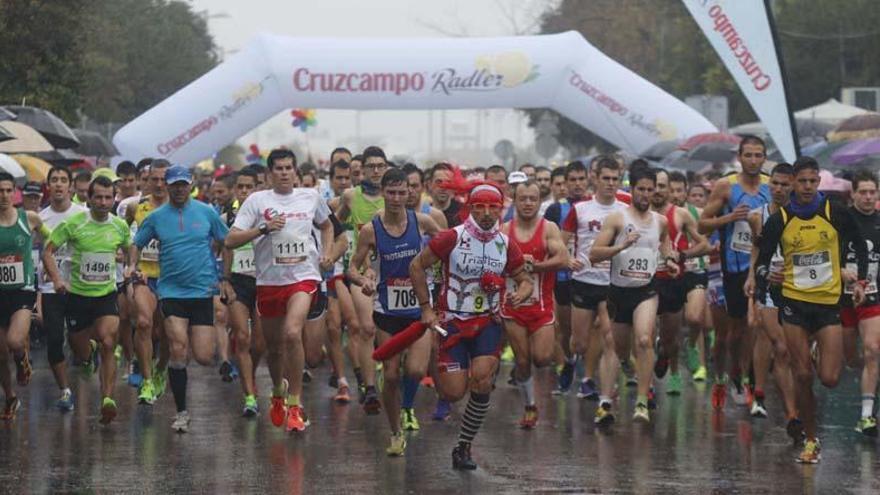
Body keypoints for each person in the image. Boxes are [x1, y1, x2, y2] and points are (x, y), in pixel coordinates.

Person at [410, 181, 532, 470]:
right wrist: (427, 309)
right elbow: (417, 266)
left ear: (501, 209)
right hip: (451, 323)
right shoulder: (452, 237)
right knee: (453, 393)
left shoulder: (505, 244)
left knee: (481, 382)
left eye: (493, 207)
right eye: (481, 207)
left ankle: (464, 447)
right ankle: (434, 357)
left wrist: (517, 294)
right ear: (471, 208)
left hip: (486, 324)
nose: (487, 213)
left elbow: (524, 279)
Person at [754, 156, 867, 463]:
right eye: (800, 182)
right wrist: (768, 276)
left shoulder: (835, 212)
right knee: (802, 374)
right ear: (792, 184)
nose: (805, 187)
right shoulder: (780, 220)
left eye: (810, 181)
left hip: (828, 303)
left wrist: (860, 280)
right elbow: (762, 261)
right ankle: (812, 440)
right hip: (794, 303)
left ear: (818, 182)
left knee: (829, 378)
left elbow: (859, 241)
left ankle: (818, 351)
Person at [226, 149, 334, 433]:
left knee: (291, 333)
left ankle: (296, 404)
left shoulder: (310, 197)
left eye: (289, 168)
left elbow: (327, 225)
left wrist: (326, 253)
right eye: (279, 168)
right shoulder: (257, 201)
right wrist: (262, 229)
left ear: (295, 172)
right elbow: (230, 240)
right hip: (269, 283)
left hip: (304, 278)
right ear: (269, 173)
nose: (285, 173)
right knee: (274, 349)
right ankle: (277, 391)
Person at [348, 168, 441, 455]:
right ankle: (396, 432)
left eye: (403, 192)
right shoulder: (370, 230)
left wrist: (441, 274)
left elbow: (449, 246)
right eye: (392, 192)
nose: (398, 198)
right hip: (387, 312)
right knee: (390, 376)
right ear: (384, 193)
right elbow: (351, 267)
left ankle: (407, 407)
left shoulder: (423, 222)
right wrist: (364, 279)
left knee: (414, 370)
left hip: (418, 311)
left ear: (411, 193)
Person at [131, 165, 229, 432]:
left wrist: (225, 278)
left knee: (204, 356)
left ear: (191, 184)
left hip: (201, 292)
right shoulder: (156, 216)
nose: (179, 189)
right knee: (178, 348)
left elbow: (227, 240)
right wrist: (132, 266)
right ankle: (182, 412)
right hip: (171, 291)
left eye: (183, 184)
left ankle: (166, 370)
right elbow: (137, 243)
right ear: (168, 185)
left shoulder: (207, 212)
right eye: (174, 184)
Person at [589, 166, 679, 423]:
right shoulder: (617, 219)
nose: (646, 194)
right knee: (616, 349)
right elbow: (595, 255)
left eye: (651, 190)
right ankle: (605, 401)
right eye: (641, 189)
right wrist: (622, 245)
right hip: (618, 293)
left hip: (646, 292)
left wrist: (670, 260)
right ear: (631, 189)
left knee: (643, 340)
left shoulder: (660, 221)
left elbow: (664, 245)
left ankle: (641, 400)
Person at [42, 175, 131, 424]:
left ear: (113, 198)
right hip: (78, 297)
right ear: (89, 198)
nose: (103, 202)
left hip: (106, 295)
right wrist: (58, 279)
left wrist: (131, 266)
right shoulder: (74, 223)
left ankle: (107, 399)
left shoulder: (119, 225)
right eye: (98, 197)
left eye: (108, 197)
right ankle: (86, 352)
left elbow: (130, 246)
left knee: (108, 341)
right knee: (81, 351)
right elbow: (48, 251)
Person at [700, 135, 771, 409]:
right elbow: (703, 225)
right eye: (748, 155)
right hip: (733, 266)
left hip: (763, 264)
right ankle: (729, 375)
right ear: (739, 157)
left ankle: (751, 381)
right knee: (735, 331)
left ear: (764, 158)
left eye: (758, 155)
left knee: (759, 325)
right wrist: (730, 218)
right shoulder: (726, 187)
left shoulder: (771, 186)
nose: (753, 160)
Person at [561, 157, 627, 405]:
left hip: (613, 281)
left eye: (615, 179)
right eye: (606, 179)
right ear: (595, 179)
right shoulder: (580, 209)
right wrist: (567, 259)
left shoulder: (626, 206)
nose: (611, 183)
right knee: (579, 343)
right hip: (584, 279)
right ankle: (573, 360)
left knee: (610, 337)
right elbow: (560, 240)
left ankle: (605, 390)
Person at [501, 179, 567, 428]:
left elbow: (562, 258)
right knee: (521, 360)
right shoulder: (505, 230)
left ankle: (554, 368)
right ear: (515, 200)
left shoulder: (548, 228)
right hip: (513, 306)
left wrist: (536, 266)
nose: (528, 203)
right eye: (523, 199)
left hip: (541, 307)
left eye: (533, 199)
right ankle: (529, 405)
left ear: (540, 201)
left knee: (541, 358)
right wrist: (514, 266)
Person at [743, 163, 800, 438]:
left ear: (794, 185)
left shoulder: (802, 215)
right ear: (769, 186)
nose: (779, 189)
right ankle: (790, 412)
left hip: (799, 287)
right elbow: (757, 247)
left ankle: (781, 395)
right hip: (768, 285)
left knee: (792, 348)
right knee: (778, 345)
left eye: (784, 184)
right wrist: (751, 276)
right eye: (774, 184)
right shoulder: (757, 216)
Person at [335, 146, 388, 413]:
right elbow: (335, 224)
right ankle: (369, 388)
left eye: (381, 165)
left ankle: (388, 376)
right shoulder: (350, 196)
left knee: (389, 333)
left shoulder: (395, 197)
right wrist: (339, 244)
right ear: (362, 169)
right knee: (367, 328)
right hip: (360, 274)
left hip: (392, 274)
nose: (376, 170)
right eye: (371, 166)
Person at [650, 168, 708, 396]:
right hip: (647, 281)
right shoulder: (637, 214)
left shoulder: (682, 215)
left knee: (672, 335)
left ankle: (676, 362)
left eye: (662, 186)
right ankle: (650, 385)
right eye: (654, 186)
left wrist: (683, 255)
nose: (658, 191)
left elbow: (703, 244)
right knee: (645, 335)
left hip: (677, 278)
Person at [37, 166, 87, 412]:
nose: (58, 184)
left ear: (70, 186)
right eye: (54, 180)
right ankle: (65, 390)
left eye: (63, 180)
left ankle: (89, 352)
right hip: (50, 288)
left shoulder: (84, 215)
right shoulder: (39, 218)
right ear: (48, 186)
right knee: (54, 340)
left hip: (79, 287)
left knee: (80, 343)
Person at [0, 172, 47, 420]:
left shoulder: (28, 218)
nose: (4, 196)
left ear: (15, 192)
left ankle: (22, 362)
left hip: (22, 290)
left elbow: (51, 241)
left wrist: (50, 266)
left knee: (15, 342)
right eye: (0, 191)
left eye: (8, 190)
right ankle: (10, 397)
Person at [221, 168, 265, 416]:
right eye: (241, 187)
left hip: (264, 282)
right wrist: (225, 279)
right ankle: (249, 397)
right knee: (243, 337)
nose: (245, 191)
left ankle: (251, 373)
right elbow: (225, 247)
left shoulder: (268, 212)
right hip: (238, 281)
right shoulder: (229, 214)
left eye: (250, 187)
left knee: (259, 343)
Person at [126, 159, 170, 404]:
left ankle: (161, 368)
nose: (159, 184)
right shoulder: (136, 207)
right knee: (143, 323)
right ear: (148, 180)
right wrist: (129, 263)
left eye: (164, 179)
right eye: (155, 179)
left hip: (170, 279)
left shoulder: (180, 209)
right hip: (144, 275)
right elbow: (127, 236)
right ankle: (146, 380)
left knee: (167, 333)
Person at [840, 169, 880, 437]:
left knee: (872, 349)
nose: (867, 197)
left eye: (872, 192)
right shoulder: (841, 221)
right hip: (841, 298)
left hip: (873, 295)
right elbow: (827, 253)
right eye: (862, 192)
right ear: (853, 193)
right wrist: (841, 270)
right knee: (852, 359)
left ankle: (866, 415)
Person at [544, 161, 589, 394]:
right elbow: (548, 244)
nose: (578, 184)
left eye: (582, 179)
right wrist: (563, 258)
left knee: (596, 326)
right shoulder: (555, 210)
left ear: (588, 179)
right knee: (566, 329)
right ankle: (570, 361)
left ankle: (587, 377)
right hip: (563, 277)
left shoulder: (596, 205)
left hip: (592, 276)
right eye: (573, 180)